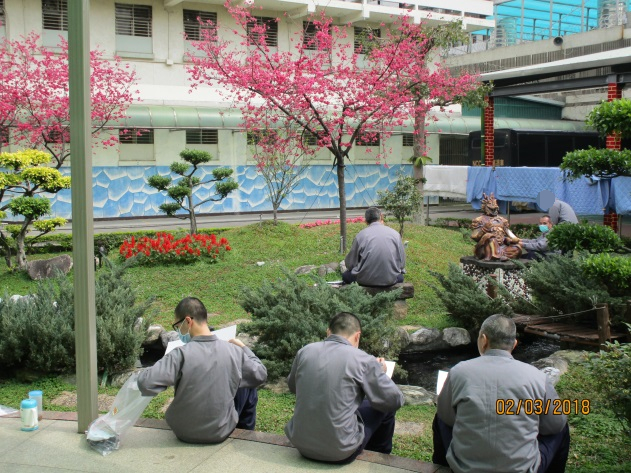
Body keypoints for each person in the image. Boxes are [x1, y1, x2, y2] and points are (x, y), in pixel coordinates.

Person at [433, 314, 570, 473]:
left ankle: (441, 468)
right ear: (514, 344)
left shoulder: (458, 372)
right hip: (522, 469)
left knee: (440, 418)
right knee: (561, 425)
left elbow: (446, 416)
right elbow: (555, 424)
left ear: (483, 340)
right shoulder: (537, 377)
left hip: (466, 468)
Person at [137, 297, 267, 444]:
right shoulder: (234, 352)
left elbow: (145, 383)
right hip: (220, 432)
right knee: (248, 389)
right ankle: (247, 434)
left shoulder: (179, 354)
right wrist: (243, 347)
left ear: (188, 321)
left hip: (182, 431)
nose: (178, 330)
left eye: (177, 326)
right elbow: (260, 374)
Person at [285, 312, 404, 463]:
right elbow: (394, 400)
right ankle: (379, 459)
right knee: (386, 409)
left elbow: (293, 387)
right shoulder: (363, 359)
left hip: (301, 444)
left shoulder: (304, 351)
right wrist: (379, 372)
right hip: (340, 451)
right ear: (357, 336)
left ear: (328, 332)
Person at [342, 207, 406, 286]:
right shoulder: (395, 234)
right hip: (390, 280)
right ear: (381, 217)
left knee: (345, 275)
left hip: (365, 280)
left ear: (366, 221)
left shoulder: (360, 236)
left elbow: (350, 264)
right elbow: (402, 264)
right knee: (400, 277)